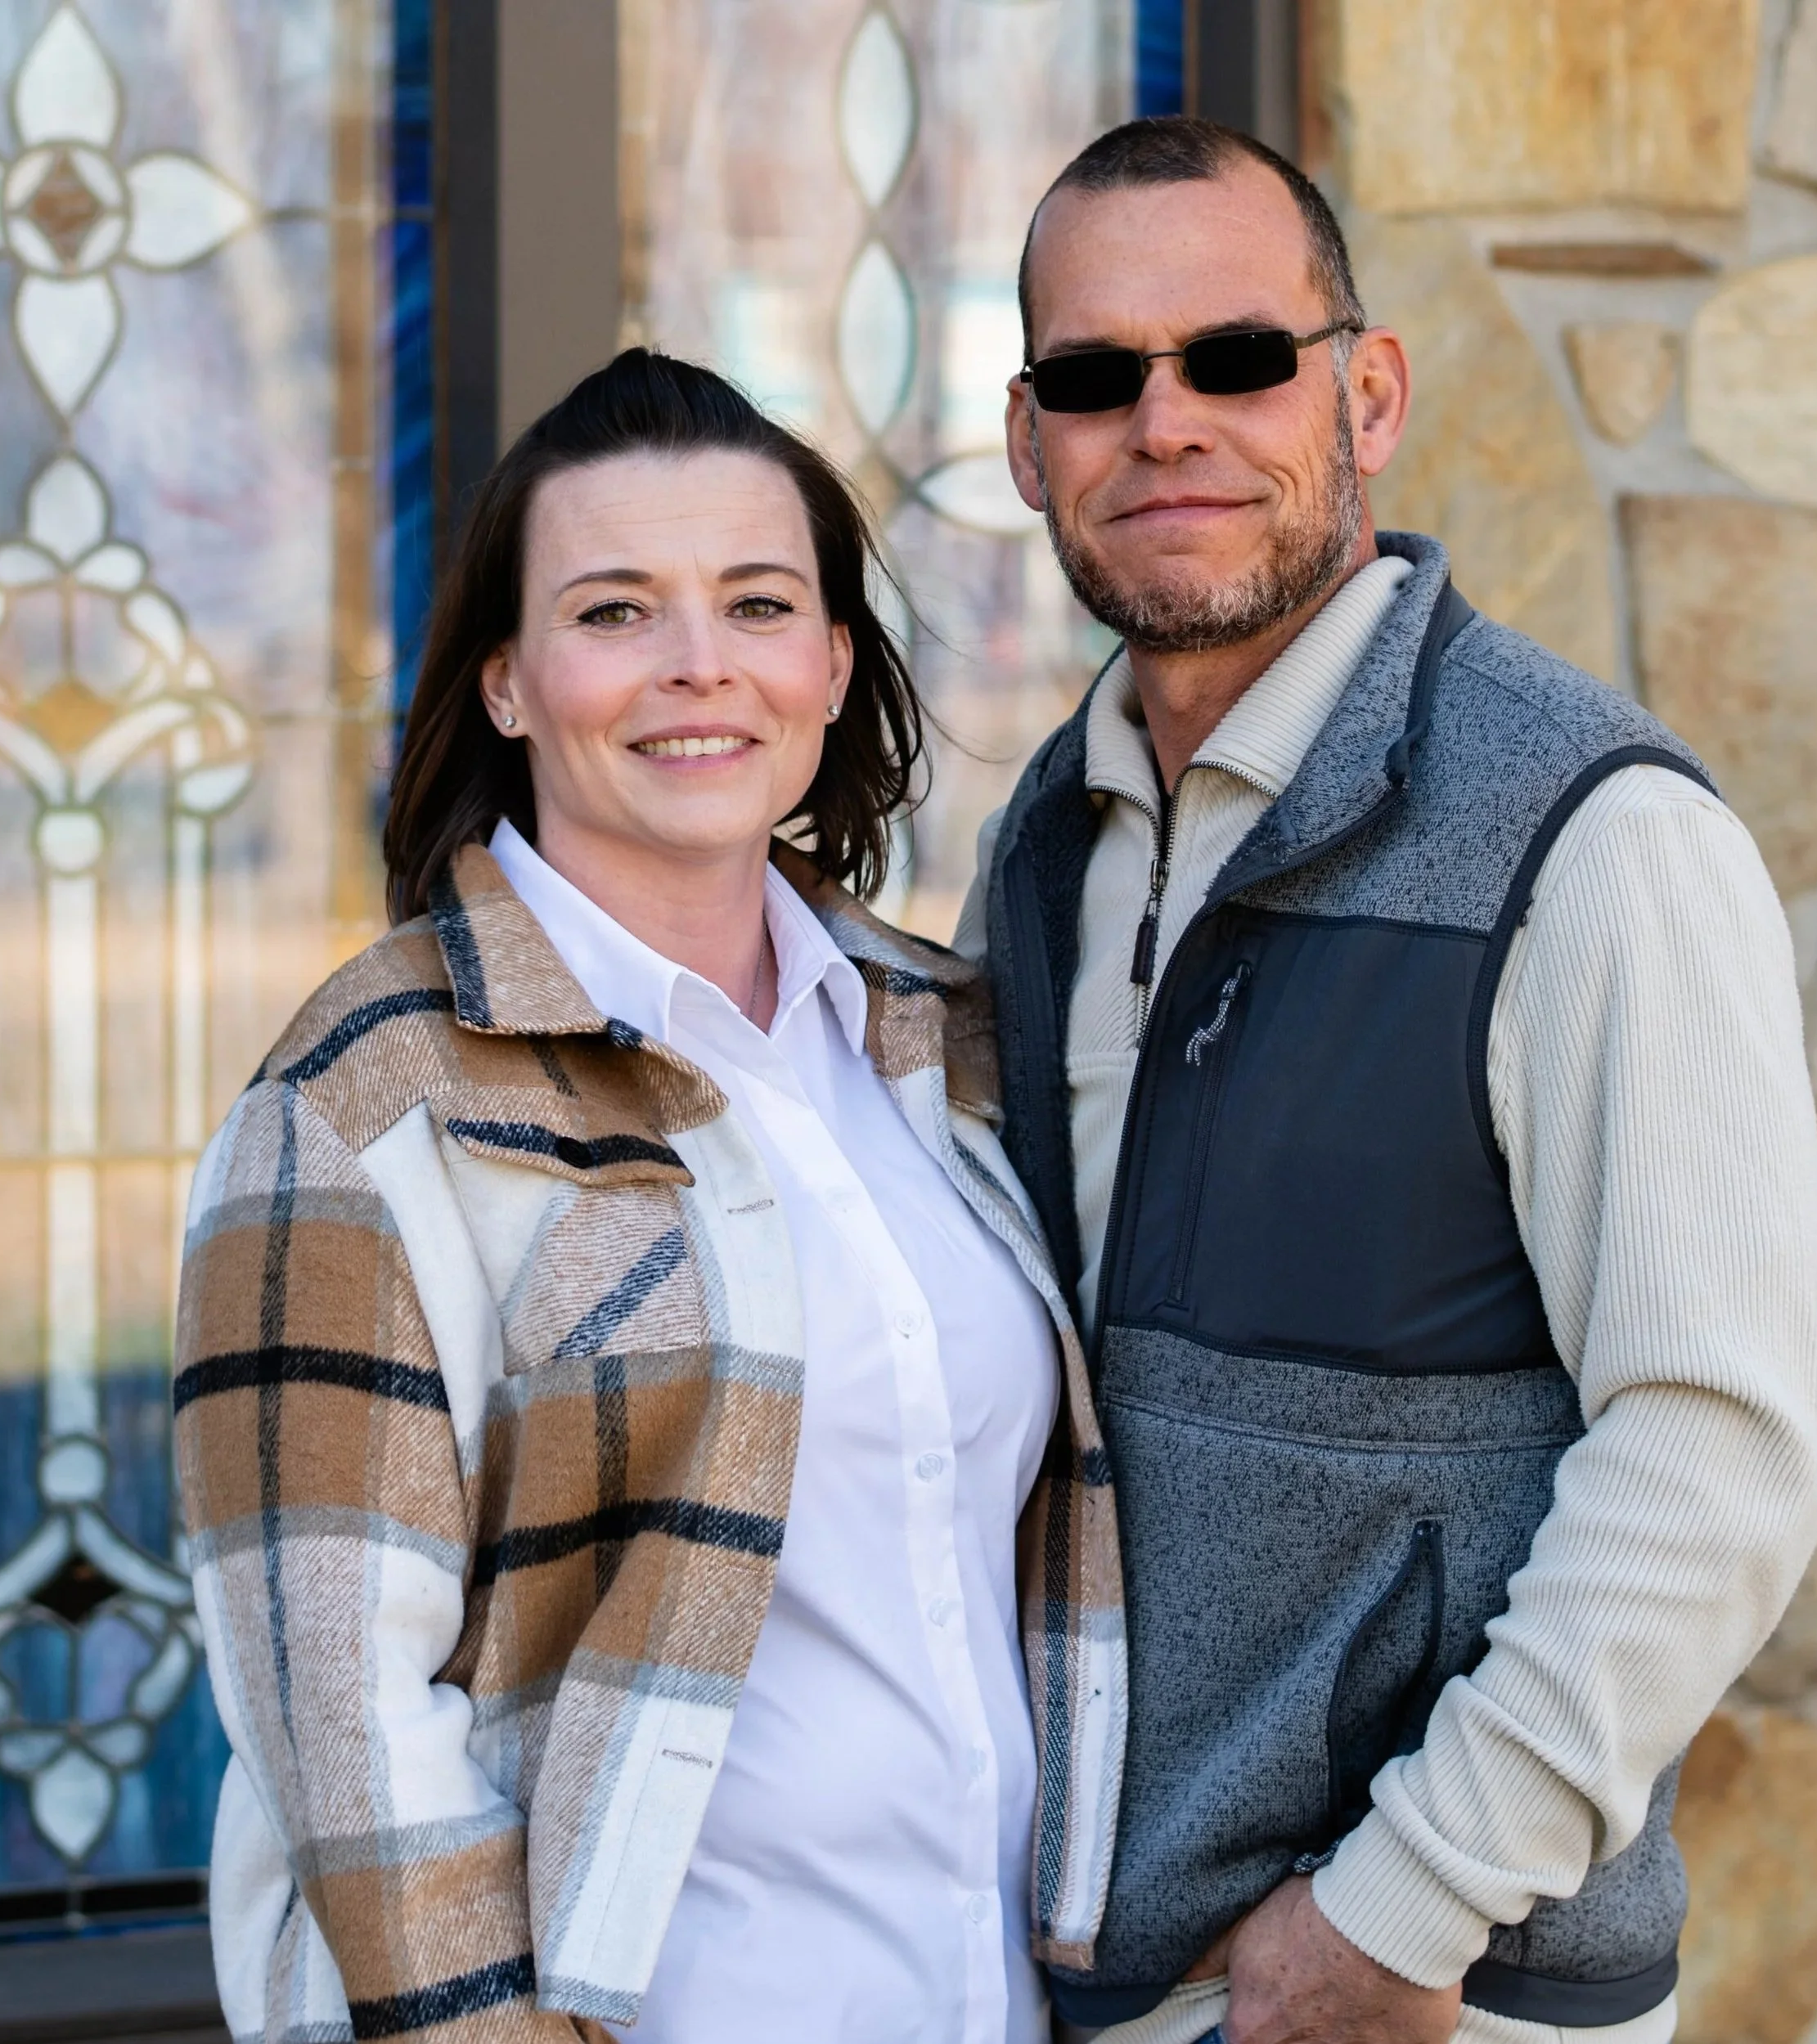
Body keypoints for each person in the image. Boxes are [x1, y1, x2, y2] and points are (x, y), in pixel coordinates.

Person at [956, 118, 1817, 2044]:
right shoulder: (1042, 844)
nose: (1166, 421)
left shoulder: (1592, 836)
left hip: (1433, 1989)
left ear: (1367, 391)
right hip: (1102, 1972)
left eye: (1238, 358)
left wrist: (1399, 1906)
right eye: (1098, 378)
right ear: (1031, 446)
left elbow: (1720, 1453)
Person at [173, 348, 1126, 2044]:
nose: (700, 667)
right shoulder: (367, 1098)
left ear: (832, 665)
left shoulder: (940, 1040)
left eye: (758, 605)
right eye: (614, 613)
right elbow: (341, 1717)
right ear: (511, 684)